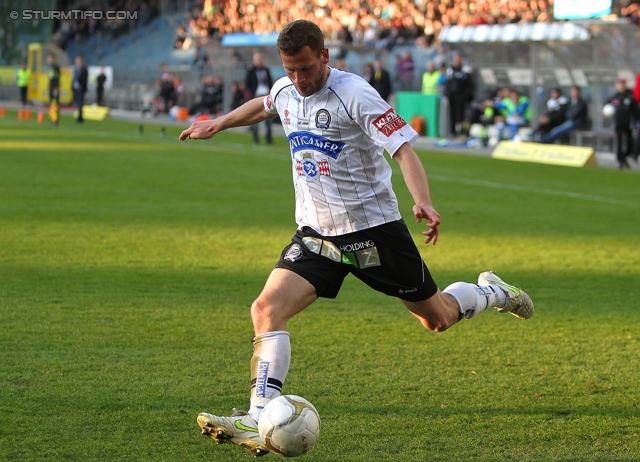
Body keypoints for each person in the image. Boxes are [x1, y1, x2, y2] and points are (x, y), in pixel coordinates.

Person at [179, 19, 534, 458]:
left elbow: (403, 149)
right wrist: (220, 121)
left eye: (306, 68)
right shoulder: (287, 89)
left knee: (437, 317)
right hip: (316, 235)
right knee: (266, 308)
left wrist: (421, 201)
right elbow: (263, 104)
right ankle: (259, 413)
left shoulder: (356, 95)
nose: (299, 79)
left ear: (324, 57)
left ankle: (491, 292)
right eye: (290, 70)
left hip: (373, 234)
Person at [605, 77, 638, 169]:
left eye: (622, 84)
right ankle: (620, 160)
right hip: (618, 124)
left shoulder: (630, 96)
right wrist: (604, 113)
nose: (621, 86)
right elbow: (605, 108)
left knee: (630, 142)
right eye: (619, 84)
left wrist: (637, 122)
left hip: (628, 124)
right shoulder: (614, 97)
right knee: (618, 142)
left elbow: (635, 111)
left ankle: (625, 156)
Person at [245, 52, 273, 145]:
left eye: (259, 59)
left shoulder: (266, 70)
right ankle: (255, 139)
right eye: (256, 59)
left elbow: (270, 82)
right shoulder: (251, 70)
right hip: (256, 96)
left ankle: (269, 139)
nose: (258, 61)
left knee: (269, 118)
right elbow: (247, 84)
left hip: (266, 95)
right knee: (255, 118)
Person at [444, 54, 474, 137]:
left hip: (461, 97)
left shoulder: (465, 71)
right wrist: (447, 95)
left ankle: (461, 132)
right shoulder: (451, 71)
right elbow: (448, 84)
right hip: (452, 97)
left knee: (461, 115)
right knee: (452, 114)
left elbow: (469, 85)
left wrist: (465, 96)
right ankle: (452, 132)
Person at [72, 55, 89, 123]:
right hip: (76, 89)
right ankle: (79, 116)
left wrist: (81, 86)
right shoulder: (76, 69)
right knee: (77, 103)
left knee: (80, 103)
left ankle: (80, 117)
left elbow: (85, 80)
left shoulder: (84, 69)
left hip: (81, 89)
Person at [47, 54, 61, 127]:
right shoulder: (51, 68)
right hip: (51, 88)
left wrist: (56, 88)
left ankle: (55, 121)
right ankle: (53, 120)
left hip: (54, 88)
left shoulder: (56, 68)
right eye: (48, 59)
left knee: (55, 104)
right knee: (52, 104)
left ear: (53, 59)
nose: (49, 60)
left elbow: (57, 79)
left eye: (50, 59)